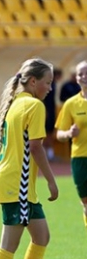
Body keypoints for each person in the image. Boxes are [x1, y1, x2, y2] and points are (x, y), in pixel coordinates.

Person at [0, 58, 59, 259]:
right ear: (33, 81)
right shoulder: (34, 106)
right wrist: (51, 180)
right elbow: (36, 148)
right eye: (47, 82)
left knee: (41, 236)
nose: (50, 88)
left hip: (13, 181)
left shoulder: (15, 103)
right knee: (10, 244)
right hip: (19, 183)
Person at [55, 60, 87, 228]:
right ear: (76, 78)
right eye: (81, 74)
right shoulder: (71, 104)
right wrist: (69, 133)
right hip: (80, 158)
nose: (84, 77)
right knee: (85, 203)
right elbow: (59, 134)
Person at [43, 68, 62, 161]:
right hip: (47, 111)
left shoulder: (53, 84)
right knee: (45, 133)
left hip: (51, 110)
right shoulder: (47, 84)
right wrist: (45, 110)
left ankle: (50, 154)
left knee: (50, 132)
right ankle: (45, 154)